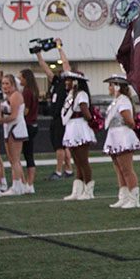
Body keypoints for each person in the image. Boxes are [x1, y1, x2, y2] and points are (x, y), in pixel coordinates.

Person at [35, 40, 74, 180]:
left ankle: (58, 171)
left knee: (59, 146)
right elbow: (45, 69)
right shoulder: (56, 82)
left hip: (62, 118)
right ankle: (68, 169)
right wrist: (38, 54)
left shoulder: (66, 83)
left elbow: (65, 64)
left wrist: (59, 48)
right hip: (56, 117)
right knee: (63, 146)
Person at [103, 75, 140, 209]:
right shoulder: (116, 100)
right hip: (114, 135)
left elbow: (130, 121)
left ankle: (134, 198)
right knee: (119, 169)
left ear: (117, 86)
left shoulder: (123, 101)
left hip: (122, 136)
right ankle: (123, 197)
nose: (109, 88)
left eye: (111, 85)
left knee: (127, 170)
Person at [60, 71, 96, 200]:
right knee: (77, 162)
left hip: (79, 127)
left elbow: (86, 112)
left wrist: (93, 120)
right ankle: (77, 190)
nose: (66, 82)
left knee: (83, 161)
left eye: (69, 80)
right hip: (72, 127)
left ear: (75, 82)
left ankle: (88, 190)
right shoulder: (71, 94)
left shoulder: (81, 94)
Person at [0, 74, 28, 196]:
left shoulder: (16, 96)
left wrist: (0, 121)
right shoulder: (7, 97)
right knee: (12, 159)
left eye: (7, 83)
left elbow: (14, 115)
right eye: (3, 84)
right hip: (9, 128)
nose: (4, 86)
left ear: (13, 84)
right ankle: (21, 185)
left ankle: (16, 186)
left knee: (15, 160)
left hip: (16, 128)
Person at [19, 69, 40, 193]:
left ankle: (28, 182)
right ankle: (28, 182)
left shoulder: (27, 92)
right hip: (33, 124)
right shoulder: (33, 90)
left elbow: (25, 111)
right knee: (28, 154)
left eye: (21, 78)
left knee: (26, 155)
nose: (19, 80)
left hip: (27, 124)